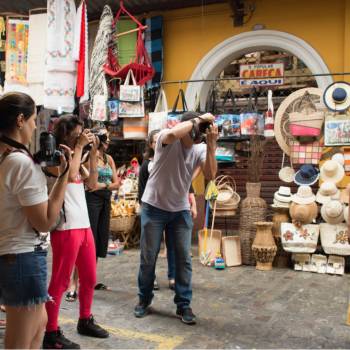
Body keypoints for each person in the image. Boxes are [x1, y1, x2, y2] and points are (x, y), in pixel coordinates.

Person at [0, 92, 70, 349]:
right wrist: (63, 176)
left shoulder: (9, 158)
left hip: (20, 257)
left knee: (39, 324)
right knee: (20, 340)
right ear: (20, 120)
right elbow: (45, 222)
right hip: (22, 257)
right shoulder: (20, 163)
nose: (34, 127)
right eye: (32, 121)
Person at [135, 111, 218, 325]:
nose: (198, 137)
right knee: (148, 257)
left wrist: (211, 145)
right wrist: (197, 120)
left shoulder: (200, 148)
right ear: (187, 128)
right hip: (153, 207)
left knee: (184, 259)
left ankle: (183, 305)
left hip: (180, 210)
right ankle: (144, 299)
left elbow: (210, 173)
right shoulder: (165, 138)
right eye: (196, 132)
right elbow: (173, 134)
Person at [43, 115, 109, 349]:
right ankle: (50, 332)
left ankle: (85, 319)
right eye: (78, 133)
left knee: (89, 278)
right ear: (65, 134)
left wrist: (91, 153)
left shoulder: (76, 155)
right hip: (65, 228)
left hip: (84, 227)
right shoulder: (56, 157)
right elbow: (69, 175)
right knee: (60, 281)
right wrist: (80, 147)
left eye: (84, 132)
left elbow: (91, 183)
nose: (83, 135)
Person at [138, 130, 198, 291]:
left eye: (161, 139)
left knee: (175, 248)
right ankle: (150, 283)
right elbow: (142, 191)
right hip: (153, 210)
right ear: (151, 145)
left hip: (177, 209)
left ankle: (173, 277)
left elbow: (186, 182)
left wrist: (193, 203)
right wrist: (144, 211)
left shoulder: (174, 158)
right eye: (155, 140)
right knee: (150, 252)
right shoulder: (146, 165)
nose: (160, 143)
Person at [85, 128, 121, 290]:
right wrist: (106, 186)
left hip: (105, 201)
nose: (108, 142)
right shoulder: (89, 157)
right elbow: (89, 184)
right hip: (91, 201)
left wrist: (102, 185)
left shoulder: (109, 159)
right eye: (106, 138)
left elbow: (117, 183)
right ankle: (78, 282)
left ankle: (91, 279)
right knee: (89, 240)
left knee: (99, 240)